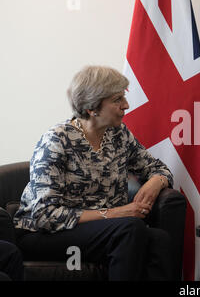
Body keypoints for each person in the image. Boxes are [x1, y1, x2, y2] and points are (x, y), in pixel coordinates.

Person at [13, 65, 174, 280]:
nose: (126, 105)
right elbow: (45, 216)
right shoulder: (56, 140)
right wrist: (116, 213)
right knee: (130, 229)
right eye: (117, 100)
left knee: (160, 240)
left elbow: (158, 168)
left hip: (106, 229)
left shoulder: (118, 134)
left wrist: (155, 182)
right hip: (44, 234)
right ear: (92, 107)